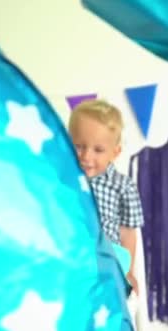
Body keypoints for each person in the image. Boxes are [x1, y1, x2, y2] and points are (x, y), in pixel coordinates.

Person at [68, 99, 144, 295]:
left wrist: (128, 272)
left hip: (107, 255)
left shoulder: (122, 186)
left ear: (115, 152)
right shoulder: (63, 179)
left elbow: (127, 232)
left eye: (98, 150)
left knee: (118, 255)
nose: (86, 156)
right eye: (78, 146)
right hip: (72, 252)